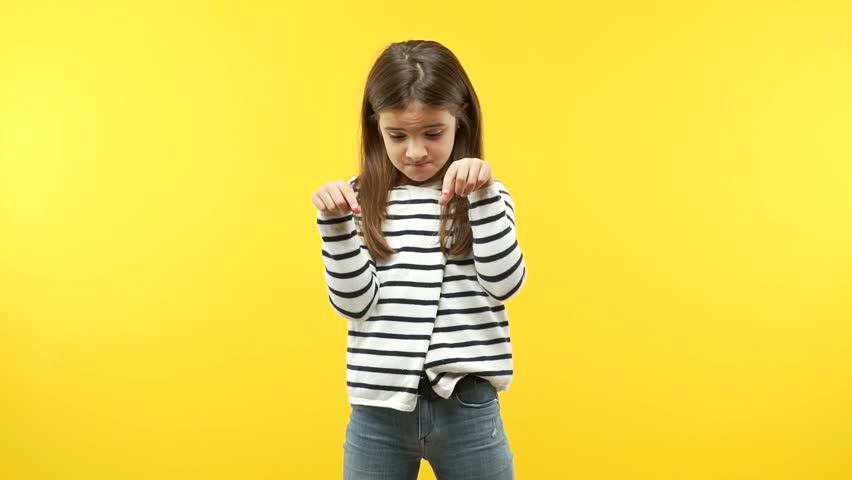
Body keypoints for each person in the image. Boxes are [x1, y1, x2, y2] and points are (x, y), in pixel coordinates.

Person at [311, 39, 526, 480]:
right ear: (376, 128)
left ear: (459, 118)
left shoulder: (487, 195)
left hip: (468, 407)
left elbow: (506, 283)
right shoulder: (361, 198)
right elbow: (353, 304)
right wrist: (334, 226)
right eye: (397, 135)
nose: (415, 151)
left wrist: (481, 196)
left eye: (432, 133)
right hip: (378, 412)